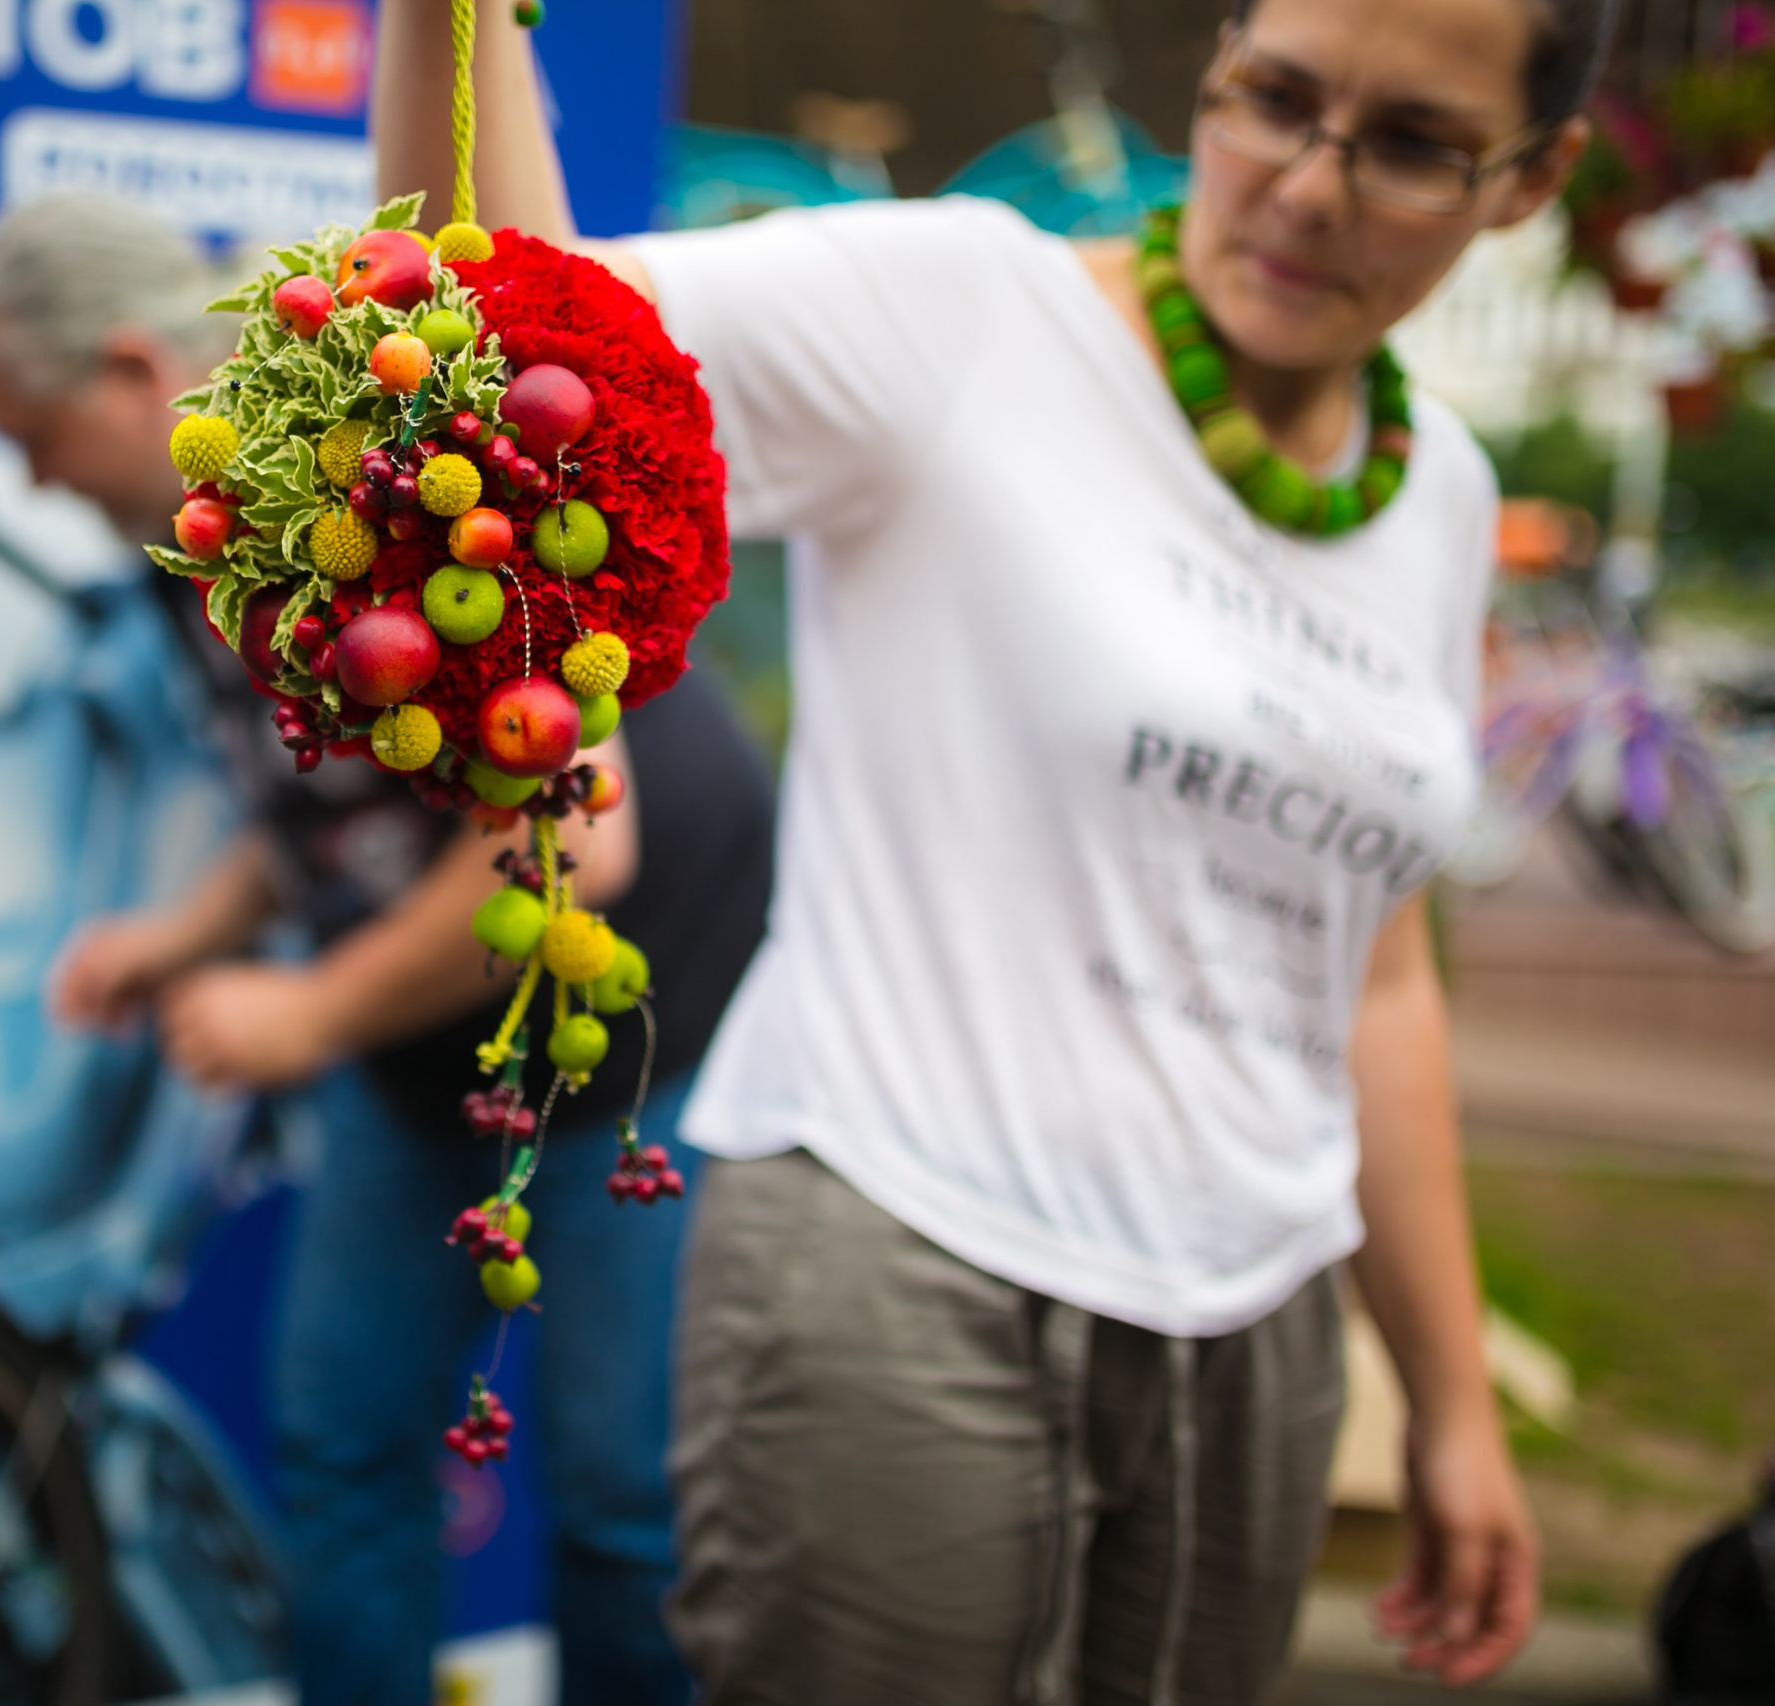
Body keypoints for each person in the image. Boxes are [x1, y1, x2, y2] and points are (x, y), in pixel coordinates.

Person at [371, 0, 1606, 1699]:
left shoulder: (1441, 493)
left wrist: (1451, 1401)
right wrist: (449, 21)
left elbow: (1373, 977)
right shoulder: (967, 313)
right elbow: (515, 330)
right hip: (901, 1253)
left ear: (1532, 178)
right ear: (1219, 59)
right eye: (1276, 100)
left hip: (1256, 1320)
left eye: (1409, 145)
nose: (1311, 187)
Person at [0, 191, 777, 1706]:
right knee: (342, 1445)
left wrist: (310, 1012)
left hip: (640, 1033)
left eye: (35, 433)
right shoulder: (199, 549)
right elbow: (326, 812)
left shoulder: (385, 486)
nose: (34, 478)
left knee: (625, 1494)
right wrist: (180, 939)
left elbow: (574, 845)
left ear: (133, 371)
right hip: (420, 1042)